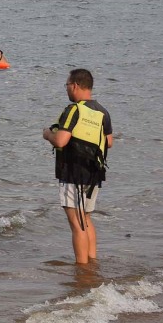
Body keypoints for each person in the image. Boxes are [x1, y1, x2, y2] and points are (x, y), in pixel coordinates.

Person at [42, 69, 113, 264]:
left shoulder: (74, 109)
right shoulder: (102, 111)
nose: (66, 89)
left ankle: (82, 270)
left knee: (76, 223)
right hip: (94, 173)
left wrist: (48, 134)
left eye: (66, 85)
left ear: (74, 85)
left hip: (73, 173)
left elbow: (61, 141)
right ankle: (92, 262)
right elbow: (108, 141)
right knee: (86, 220)